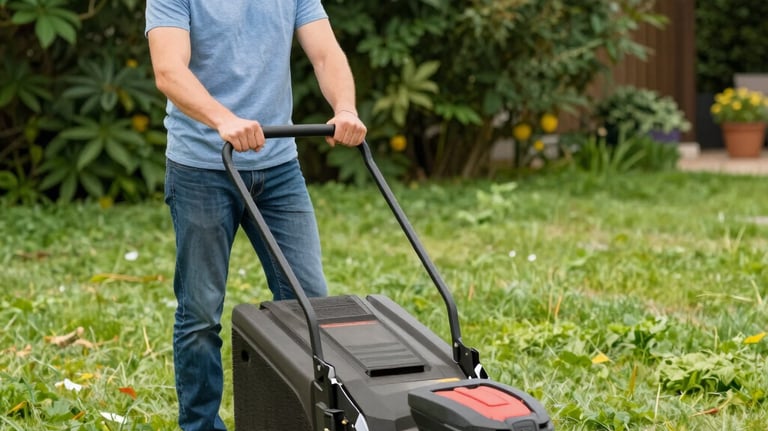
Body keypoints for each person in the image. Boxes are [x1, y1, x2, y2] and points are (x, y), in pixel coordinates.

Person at [144, 1, 367, 430]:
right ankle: (201, 426)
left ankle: (299, 419)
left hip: (279, 167)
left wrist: (345, 108)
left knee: (308, 302)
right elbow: (169, 71)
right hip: (202, 170)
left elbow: (325, 53)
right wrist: (224, 120)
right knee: (202, 312)